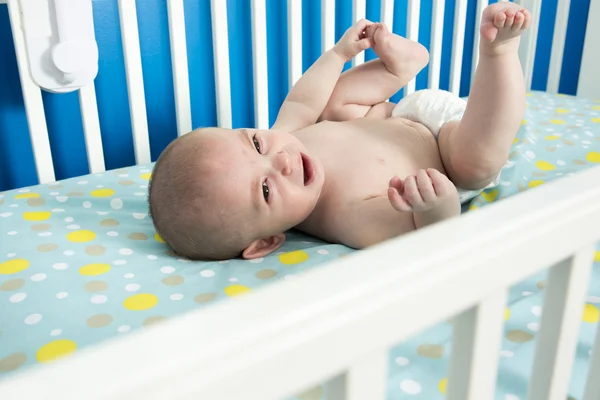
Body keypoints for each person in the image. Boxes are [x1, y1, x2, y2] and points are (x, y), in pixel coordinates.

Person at [148, 3, 531, 260]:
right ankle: (499, 55)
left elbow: (302, 101)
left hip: (399, 112)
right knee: (476, 163)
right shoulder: (344, 216)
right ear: (265, 242)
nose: (280, 159)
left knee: (330, 107)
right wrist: (435, 207)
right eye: (265, 189)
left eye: (256, 142)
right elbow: (422, 236)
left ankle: (398, 67)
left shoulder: (287, 137)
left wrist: (338, 55)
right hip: (444, 148)